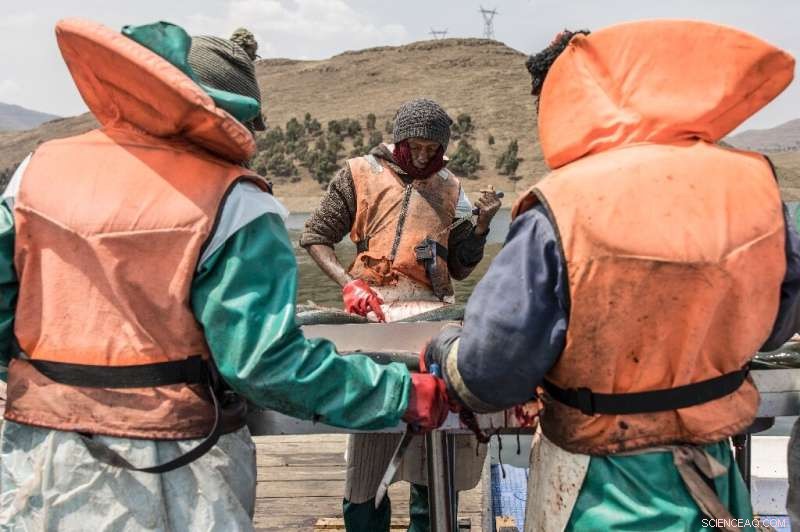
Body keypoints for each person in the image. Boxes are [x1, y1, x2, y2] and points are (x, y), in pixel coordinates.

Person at [0, 19, 448, 531]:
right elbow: (264, 365)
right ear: (234, 117)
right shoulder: (237, 202)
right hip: (178, 465)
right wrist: (399, 392)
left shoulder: (36, 171)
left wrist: (48, 382)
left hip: (40, 456)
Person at [421, 21, 799, 531]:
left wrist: (446, 347)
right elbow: (776, 326)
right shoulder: (751, 187)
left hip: (601, 487)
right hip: (715, 479)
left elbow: (492, 374)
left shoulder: (562, 207)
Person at [300, 98, 501, 530]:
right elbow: (316, 237)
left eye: (434, 147)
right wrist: (349, 284)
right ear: (398, 141)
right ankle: (364, 511)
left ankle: (428, 516)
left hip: (432, 316)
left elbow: (461, 265)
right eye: (416, 146)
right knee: (373, 437)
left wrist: (481, 225)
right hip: (373, 313)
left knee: (435, 447)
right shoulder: (359, 174)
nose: (425, 155)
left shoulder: (451, 188)